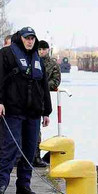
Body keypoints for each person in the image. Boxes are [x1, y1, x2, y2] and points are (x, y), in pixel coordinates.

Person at [0, 27, 48, 194]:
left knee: (29, 150)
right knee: (11, 148)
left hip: (33, 113)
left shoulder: (38, 59)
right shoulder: (6, 54)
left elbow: (43, 86)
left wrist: (46, 112)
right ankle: (1, 183)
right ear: (20, 38)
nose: (30, 41)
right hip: (13, 110)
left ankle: (23, 185)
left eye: (32, 39)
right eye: (27, 38)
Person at [32, 40, 63, 168]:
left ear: (47, 50)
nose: (41, 52)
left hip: (43, 98)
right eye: (39, 50)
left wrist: (42, 85)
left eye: (43, 50)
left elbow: (56, 81)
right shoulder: (33, 62)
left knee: (36, 128)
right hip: (31, 98)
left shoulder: (53, 64)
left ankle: (36, 156)